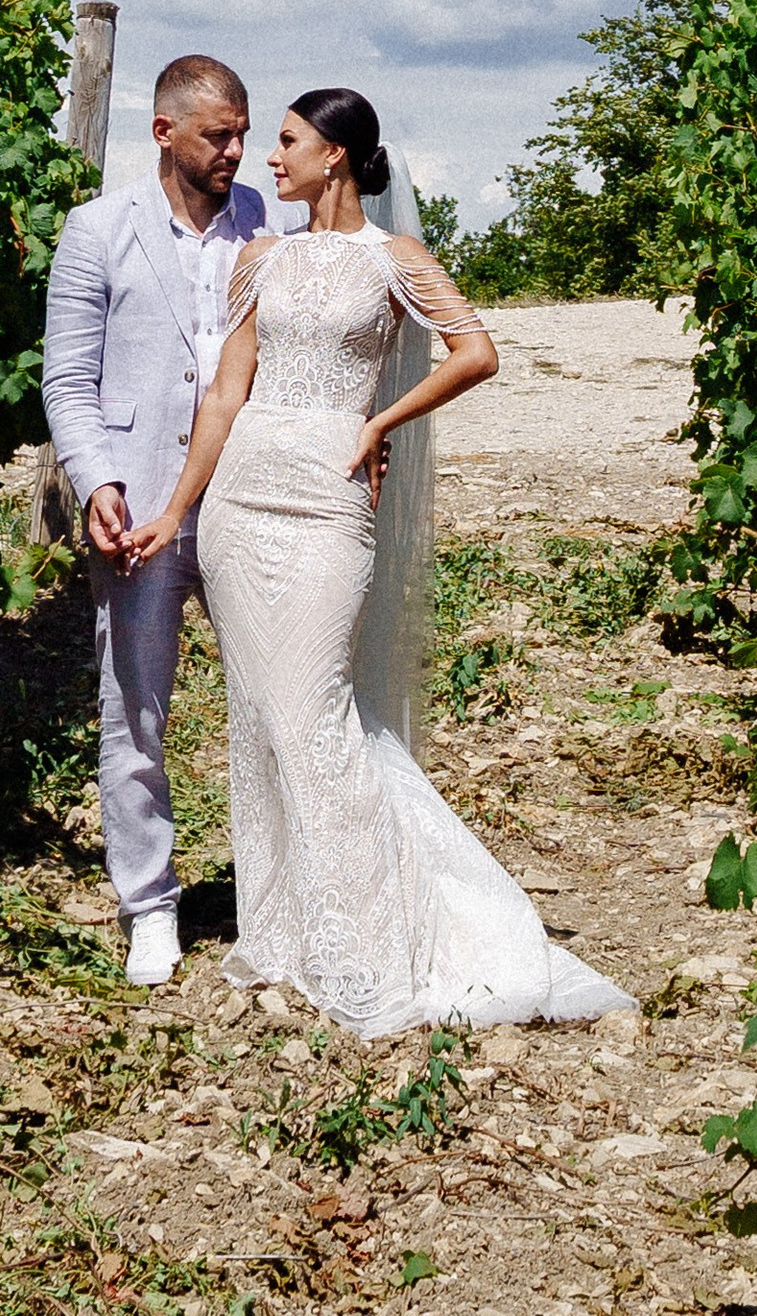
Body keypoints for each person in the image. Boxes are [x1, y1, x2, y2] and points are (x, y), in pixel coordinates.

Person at [123, 84, 633, 1036]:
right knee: (260, 722)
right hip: (241, 501)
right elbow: (226, 396)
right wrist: (177, 512)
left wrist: (379, 422)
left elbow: (476, 353)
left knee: (314, 713)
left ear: (335, 156)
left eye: (286, 141)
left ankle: (371, 945)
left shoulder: (394, 259)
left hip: (328, 495)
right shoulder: (261, 257)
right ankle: (286, 934)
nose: (269, 158)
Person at [41, 53, 270, 988]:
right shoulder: (96, 229)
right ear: (164, 132)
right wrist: (96, 481)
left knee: (272, 695)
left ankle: (276, 891)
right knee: (135, 711)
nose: (236, 152)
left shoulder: (259, 218)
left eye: (244, 134)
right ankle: (149, 905)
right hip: (138, 508)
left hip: (246, 495)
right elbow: (67, 379)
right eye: (219, 135)